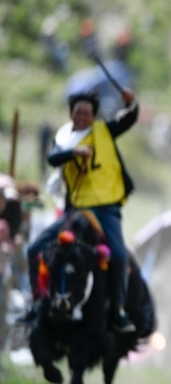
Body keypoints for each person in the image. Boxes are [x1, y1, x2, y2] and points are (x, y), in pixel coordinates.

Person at [26, 89, 139, 333]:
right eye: (78, 112)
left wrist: (131, 103)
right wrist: (73, 152)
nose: (82, 117)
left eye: (87, 113)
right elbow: (53, 159)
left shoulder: (105, 131)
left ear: (94, 116)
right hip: (75, 209)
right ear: (71, 114)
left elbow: (129, 118)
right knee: (34, 249)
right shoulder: (64, 138)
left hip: (106, 209)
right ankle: (37, 302)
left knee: (119, 255)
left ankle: (118, 310)